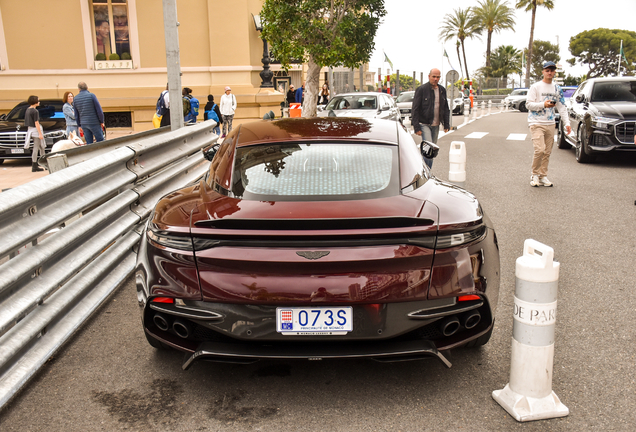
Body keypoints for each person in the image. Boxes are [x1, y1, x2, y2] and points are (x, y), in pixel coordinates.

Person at [526, 60, 572, 187]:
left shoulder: (557, 88)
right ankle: (534, 174)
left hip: (550, 123)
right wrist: (543, 104)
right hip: (536, 122)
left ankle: (543, 176)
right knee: (539, 150)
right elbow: (528, 104)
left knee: (547, 152)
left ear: (554, 72)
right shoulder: (535, 87)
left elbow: (562, 107)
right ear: (543, 72)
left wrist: (567, 123)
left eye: (552, 70)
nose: (549, 72)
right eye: (547, 70)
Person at [411, 68, 450, 169]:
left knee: (431, 151)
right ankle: (426, 173)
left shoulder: (442, 90)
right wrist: (416, 127)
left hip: (436, 125)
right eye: (434, 76)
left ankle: (424, 170)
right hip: (424, 124)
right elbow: (415, 108)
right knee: (429, 150)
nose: (435, 79)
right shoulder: (422, 89)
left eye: (438, 77)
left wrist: (446, 124)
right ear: (429, 76)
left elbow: (446, 108)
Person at [24, 95, 45, 172]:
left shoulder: (28, 109)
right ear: (35, 102)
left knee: (38, 147)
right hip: (35, 130)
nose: (39, 102)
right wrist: (40, 133)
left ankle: (36, 164)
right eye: (38, 101)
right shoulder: (35, 111)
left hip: (30, 130)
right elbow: (36, 123)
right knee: (38, 147)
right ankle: (35, 164)